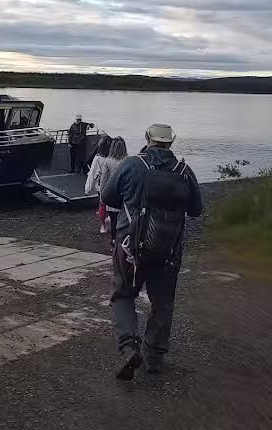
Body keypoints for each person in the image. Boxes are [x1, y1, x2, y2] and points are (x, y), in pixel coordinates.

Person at [100, 123, 202, 381]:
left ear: (147, 139)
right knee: (162, 302)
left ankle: (129, 348)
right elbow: (196, 210)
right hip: (168, 251)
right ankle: (154, 357)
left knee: (123, 294)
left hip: (130, 247)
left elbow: (108, 197)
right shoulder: (184, 171)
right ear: (171, 142)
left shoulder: (131, 165)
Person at [100, 136, 128, 241]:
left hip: (112, 195)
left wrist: (102, 196)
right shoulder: (128, 160)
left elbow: (103, 180)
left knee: (113, 220)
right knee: (124, 220)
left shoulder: (108, 161)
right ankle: (123, 240)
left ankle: (114, 241)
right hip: (125, 195)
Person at [84, 136, 112, 232]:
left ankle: (103, 226)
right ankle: (110, 218)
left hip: (101, 185)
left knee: (102, 205)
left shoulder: (98, 158)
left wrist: (88, 188)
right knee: (112, 204)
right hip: (113, 185)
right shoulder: (114, 158)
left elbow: (92, 173)